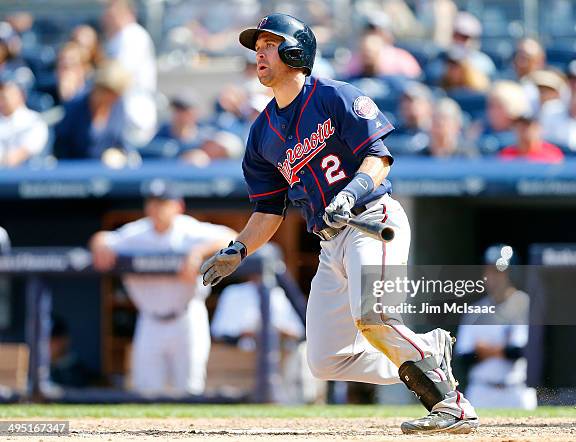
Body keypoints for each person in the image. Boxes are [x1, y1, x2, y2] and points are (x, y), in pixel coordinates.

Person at [199, 13, 478, 434]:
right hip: (330, 242)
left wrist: (351, 191)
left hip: (371, 219)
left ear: (297, 50)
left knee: (374, 316)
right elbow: (268, 212)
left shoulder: (335, 96)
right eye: (257, 46)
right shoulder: (261, 134)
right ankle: (427, 349)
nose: (259, 51)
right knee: (325, 358)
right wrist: (238, 249)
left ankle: (451, 404)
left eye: (270, 44)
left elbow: (378, 156)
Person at [90, 181, 236, 396]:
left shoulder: (189, 229)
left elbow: (233, 237)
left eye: (162, 203)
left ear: (178, 206)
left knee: (189, 390)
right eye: (152, 202)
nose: (156, 208)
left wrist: (199, 251)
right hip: (149, 321)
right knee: (146, 391)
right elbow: (102, 239)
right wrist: (99, 243)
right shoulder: (137, 233)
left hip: (187, 317)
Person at [455, 245, 537, 409]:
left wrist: (484, 350)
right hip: (481, 391)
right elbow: (463, 357)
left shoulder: (524, 304)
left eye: (499, 271)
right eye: (489, 271)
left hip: (515, 391)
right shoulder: (475, 311)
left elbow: (519, 351)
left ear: (511, 273)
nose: (493, 277)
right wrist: (500, 349)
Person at [53, 61, 132, 164]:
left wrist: (119, 155)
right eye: (112, 93)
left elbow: (121, 142)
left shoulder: (118, 106)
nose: (115, 98)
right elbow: (61, 148)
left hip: (109, 174)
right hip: (76, 172)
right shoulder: (75, 107)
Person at [102, 0, 157, 146]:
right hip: (123, 111)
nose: (108, 17)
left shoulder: (132, 35)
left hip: (135, 111)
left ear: (129, 13)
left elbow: (117, 78)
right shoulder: (117, 38)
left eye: (114, 13)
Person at [0, 76, 49, 167]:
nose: (2, 101)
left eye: (5, 96)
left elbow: (16, 158)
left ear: (21, 95)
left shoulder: (34, 121)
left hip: (27, 176)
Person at [476, 81, 529, 154]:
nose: (492, 111)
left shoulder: (526, 138)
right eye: (491, 106)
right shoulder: (479, 132)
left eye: (498, 106)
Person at [498, 109, 564, 163]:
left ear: (538, 128)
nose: (523, 130)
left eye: (527, 126)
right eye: (519, 126)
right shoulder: (506, 154)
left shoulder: (552, 153)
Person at [449, 12, 496, 77]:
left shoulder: (484, 64)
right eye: (456, 35)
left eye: (465, 37)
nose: (459, 41)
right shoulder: (438, 64)